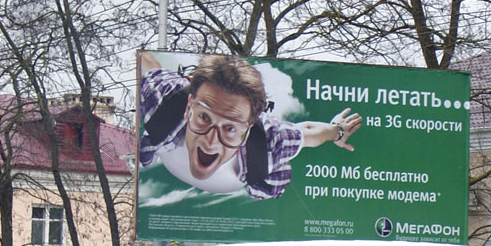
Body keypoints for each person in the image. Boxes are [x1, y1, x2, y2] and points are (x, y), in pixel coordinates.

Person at [138, 52, 362, 199]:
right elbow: (148, 66)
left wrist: (337, 130)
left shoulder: (269, 144)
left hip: (262, 175)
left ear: (246, 132)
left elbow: (308, 133)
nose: (211, 140)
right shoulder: (163, 103)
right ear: (189, 108)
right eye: (204, 118)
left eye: (230, 128)